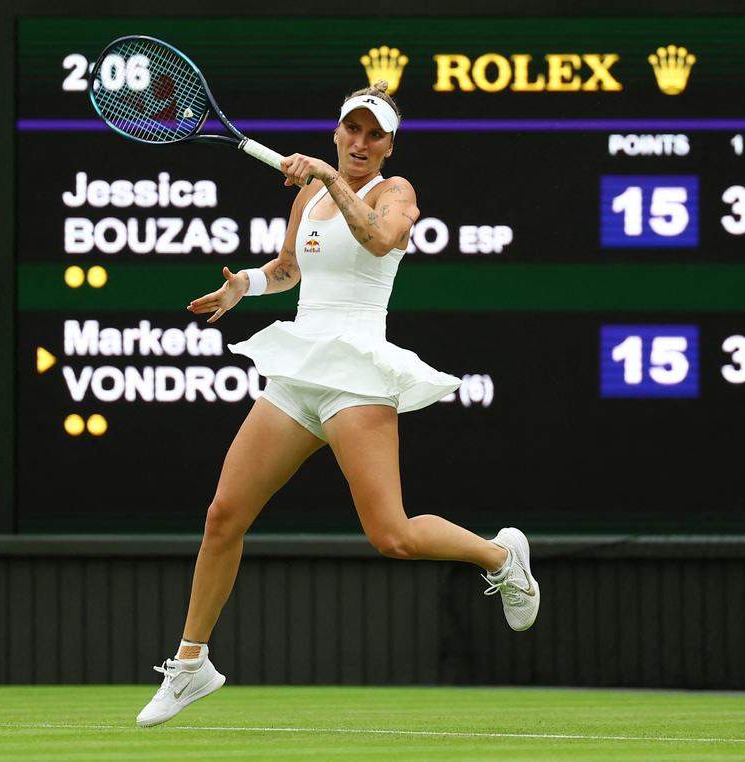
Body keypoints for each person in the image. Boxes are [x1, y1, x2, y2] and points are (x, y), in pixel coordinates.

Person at [136, 82, 540, 727]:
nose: (360, 141)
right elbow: (290, 270)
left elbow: (379, 241)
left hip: (357, 372)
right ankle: (191, 664)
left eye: (373, 133)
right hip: (301, 369)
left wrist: (328, 174)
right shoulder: (307, 198)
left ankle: (500, 555)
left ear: (388, 145)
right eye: (350, 130)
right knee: (223, 515)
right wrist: (246, 284)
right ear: (337, 131)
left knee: (394, 537)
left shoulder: (395, 192)